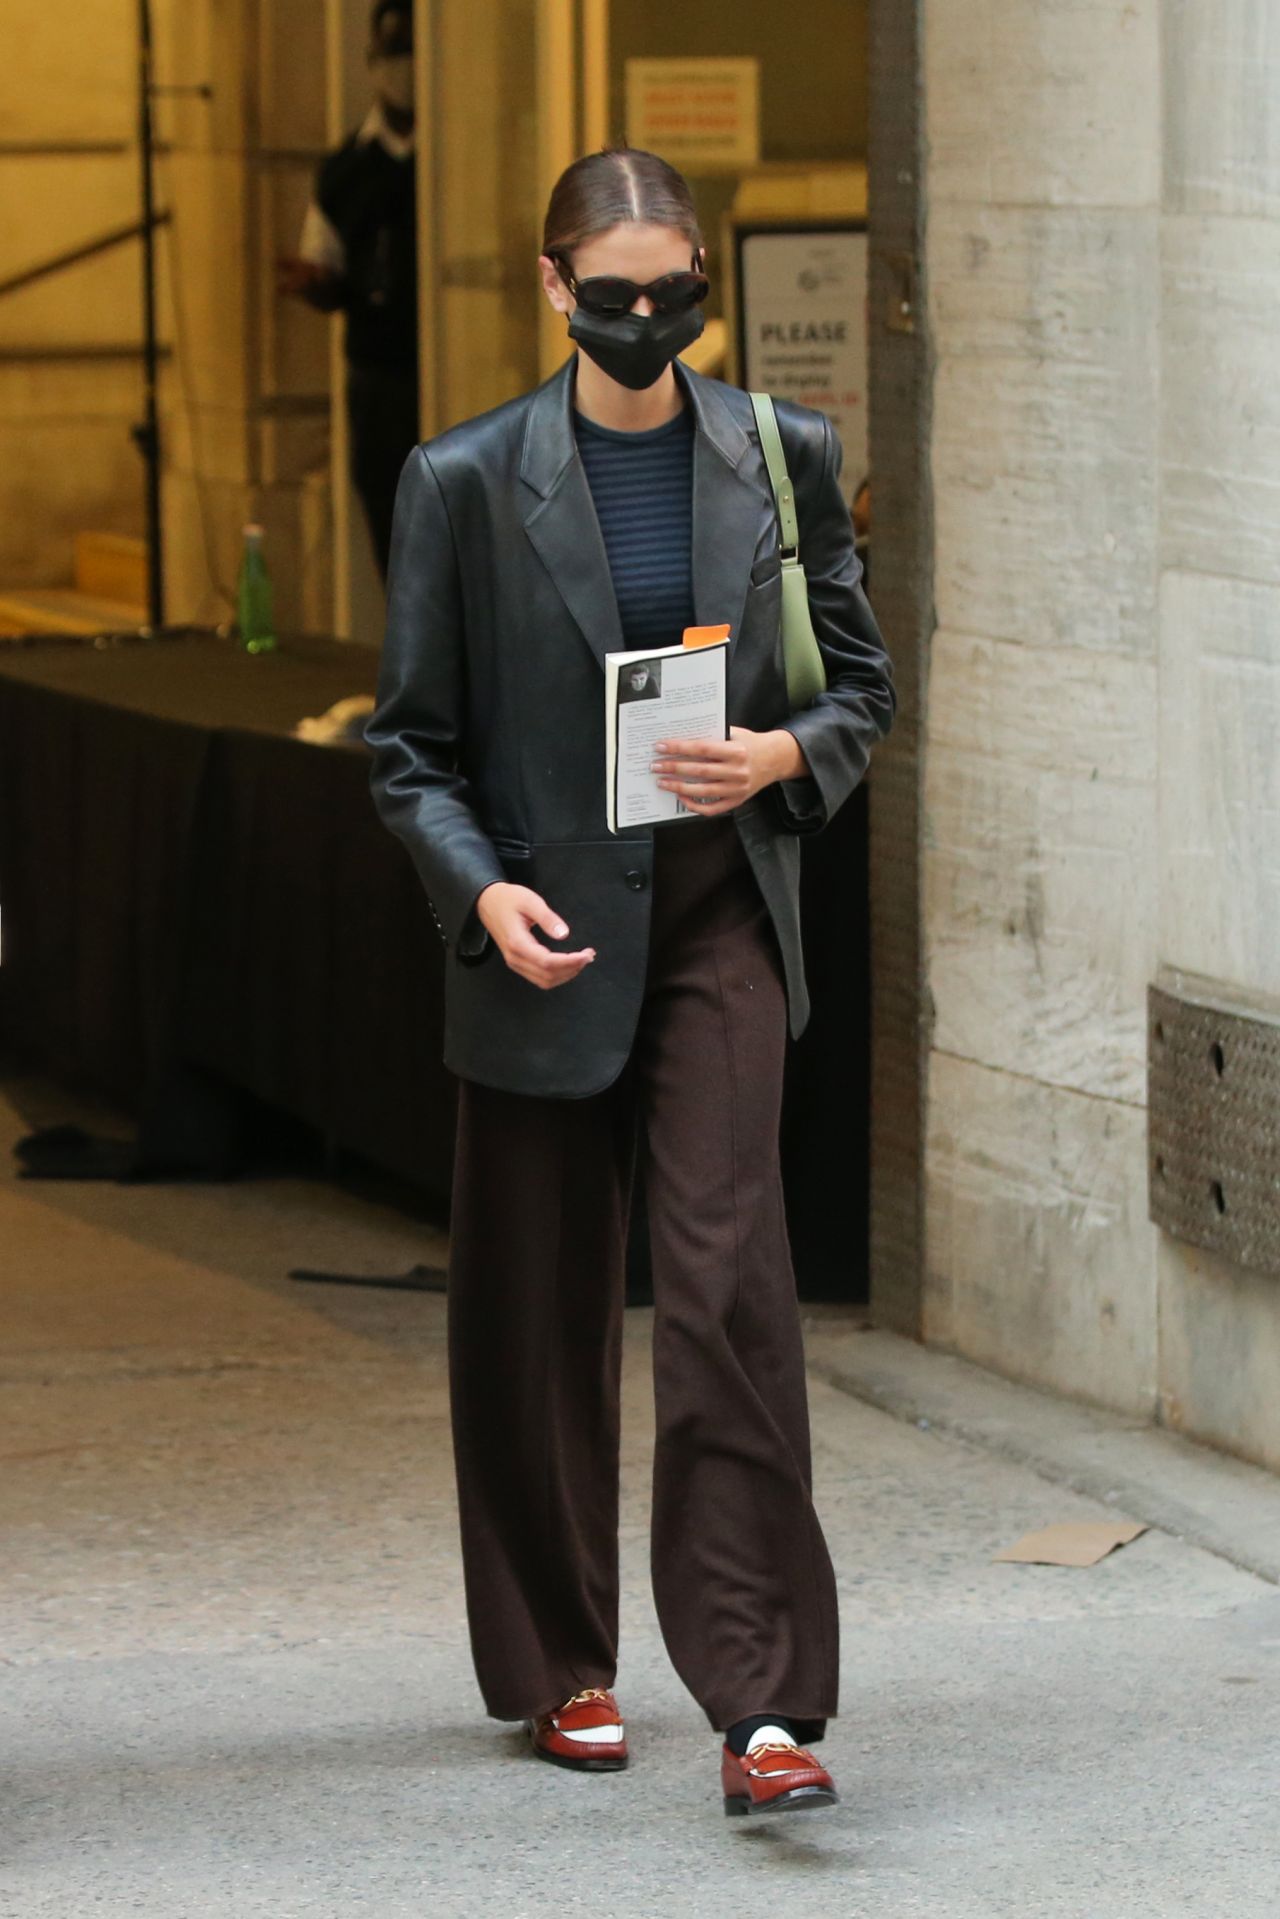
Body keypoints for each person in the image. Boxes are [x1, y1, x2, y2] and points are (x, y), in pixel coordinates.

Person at [364, 145, 896, 1819]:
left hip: (720, 907)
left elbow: (861, 687)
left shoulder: (781, 454)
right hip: (545, 924)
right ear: (552, 287)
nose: (652, 320)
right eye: (617, 296)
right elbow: (411, 753)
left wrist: (779, 754)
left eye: (681, 294)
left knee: (730, 1284)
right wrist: (487, 892)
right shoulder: (462, 480)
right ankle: (557, 1660)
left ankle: (761, 1698)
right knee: (535, 1306)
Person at [278, 0, 419, 581]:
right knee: (393, 532)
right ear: (373, 62)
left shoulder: (462, 154)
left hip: (459, 372)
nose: (403, 69)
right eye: (393, 55)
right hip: (381, 379)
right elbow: (326, 266)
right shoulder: (346, 170)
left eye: (412, 53)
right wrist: (317, 286)